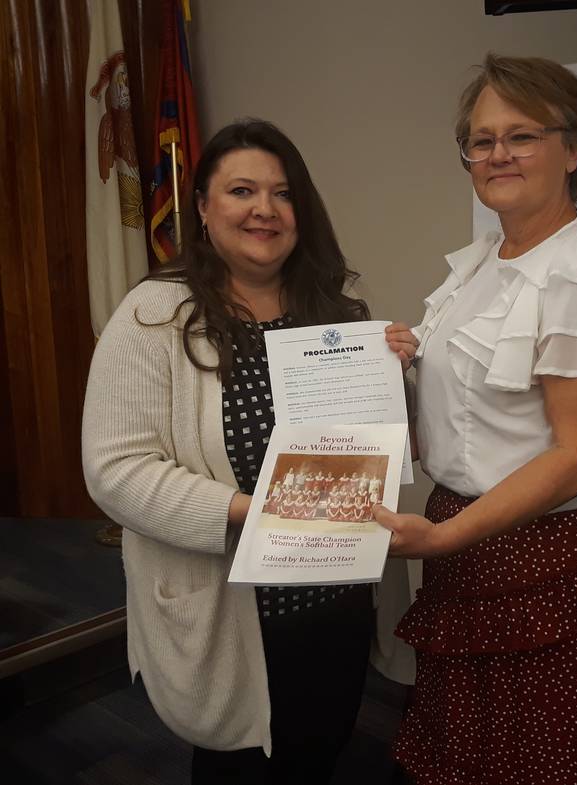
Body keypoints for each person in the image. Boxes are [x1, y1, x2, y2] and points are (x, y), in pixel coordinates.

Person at [376, 53, 577, 785]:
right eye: (481, 139)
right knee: (471, 753)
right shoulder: (484, 263)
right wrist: (394, 368)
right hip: (465, 540)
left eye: (521, 135)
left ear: (574, 148)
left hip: (546, 557)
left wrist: (443, 536)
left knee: (542, 760)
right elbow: (464, 421)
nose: (497, 154)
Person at [82, 119, 374, 785]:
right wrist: (252, 508)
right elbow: (114, 471)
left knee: (320, 753)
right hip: (234, 612)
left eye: (282, 193)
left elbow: (365, 443)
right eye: (242, 190)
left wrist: (397, 379)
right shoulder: (152, 316)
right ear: (205, 207)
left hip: (336, 598)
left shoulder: (333, 311)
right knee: (237, 770)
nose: (264, 209)